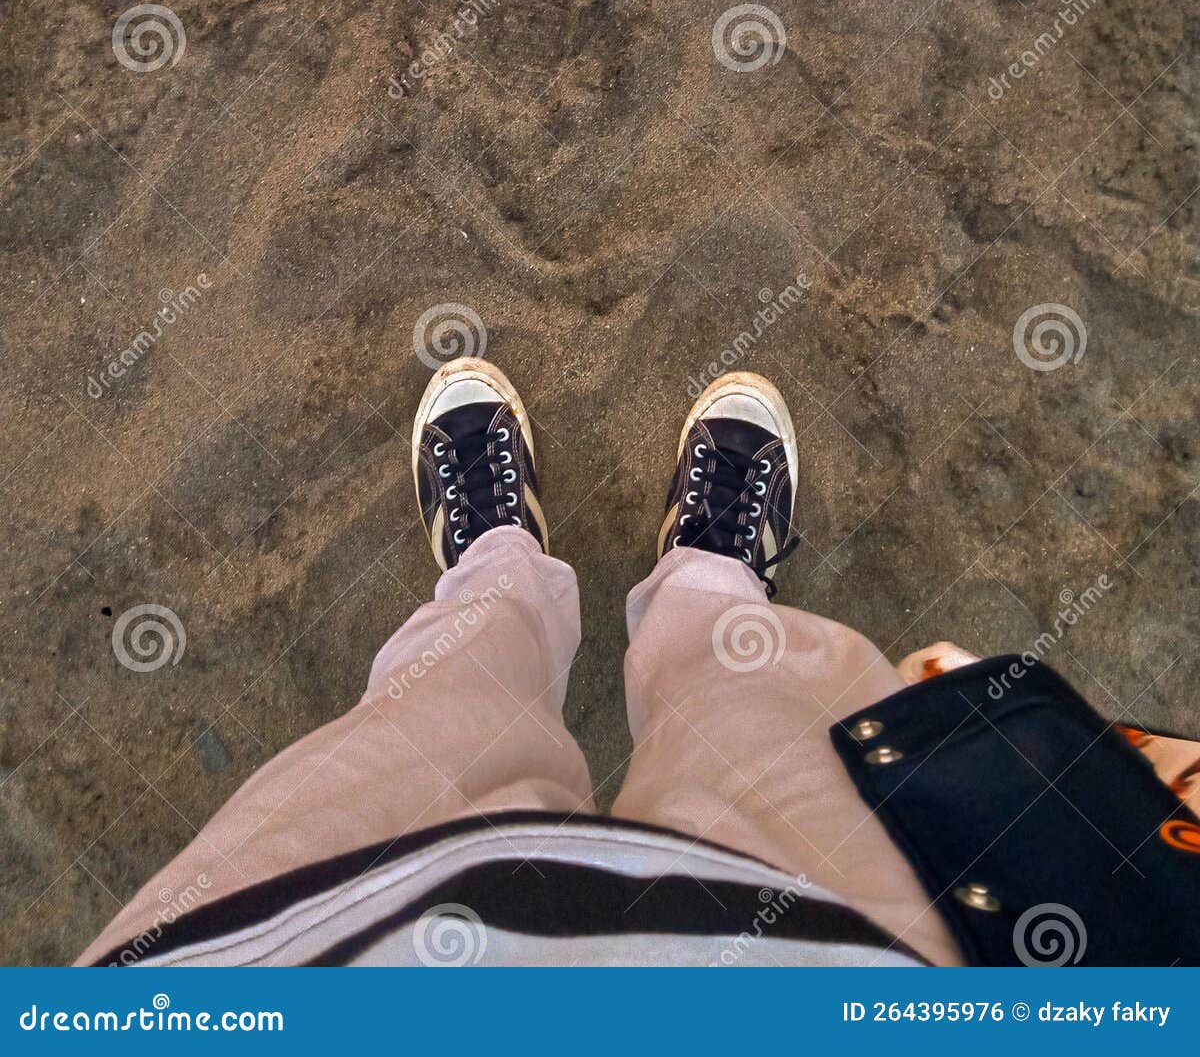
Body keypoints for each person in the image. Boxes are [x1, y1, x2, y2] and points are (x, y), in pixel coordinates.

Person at [78, 360, 1199, 968]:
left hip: (267, 962)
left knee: (429, 715)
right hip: (877, 957)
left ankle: (499, 566)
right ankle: (708, 576)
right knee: (756, 701)